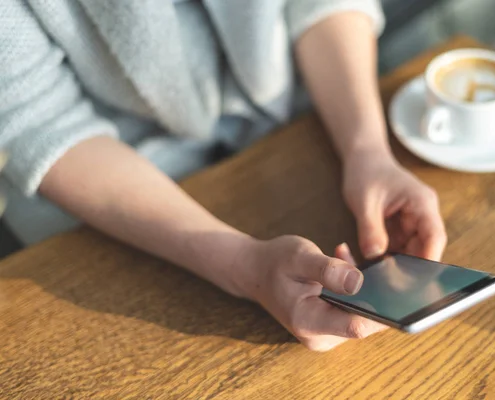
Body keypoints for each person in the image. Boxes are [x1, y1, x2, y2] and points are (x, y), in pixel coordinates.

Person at [0, 0, 446, 351]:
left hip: (298, 109)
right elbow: (38, 121)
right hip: (113, 182)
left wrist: (367, 150)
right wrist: (244, 267)